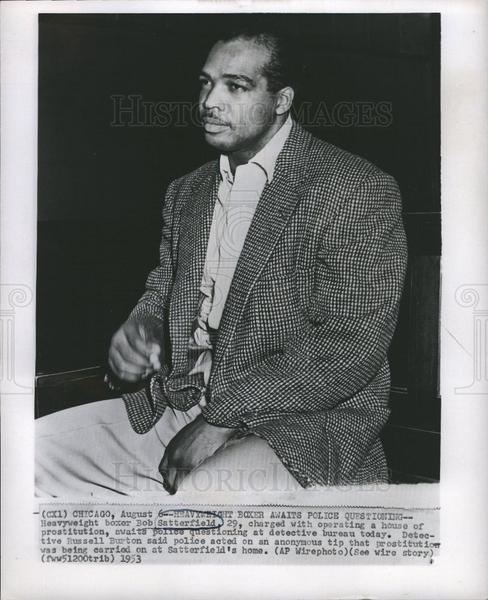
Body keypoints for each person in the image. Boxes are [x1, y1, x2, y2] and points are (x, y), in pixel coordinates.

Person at [36, 30, 407, 497]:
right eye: (205, 83)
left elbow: (348, 347)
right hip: (183, 403)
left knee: (206, 497)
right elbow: (163, 289)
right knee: (30, 454)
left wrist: (218, 422)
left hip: (303, 421)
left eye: (235, 86)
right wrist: (142, 328)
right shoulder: (186, 191)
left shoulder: (355, 188)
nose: (210, 101)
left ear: (281, 100)